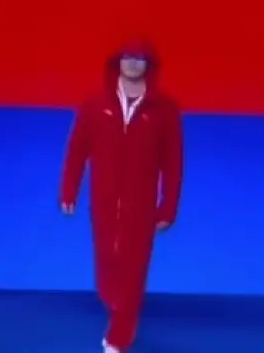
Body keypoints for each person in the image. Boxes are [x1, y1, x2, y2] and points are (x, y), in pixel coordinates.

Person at [59, 37, 184, 353]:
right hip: (102, 200)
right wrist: (69, 190)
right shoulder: (94, 105)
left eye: (140, 58)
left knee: (134, 267)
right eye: (127, 56)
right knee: (107, 266)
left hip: (140, 205)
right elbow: (77, 151)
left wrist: (168, 207)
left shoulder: (164, 110)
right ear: (117, 62)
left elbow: (173, 163)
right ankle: (117, 306)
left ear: (149, 65)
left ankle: (120, 333)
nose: (133, 63)